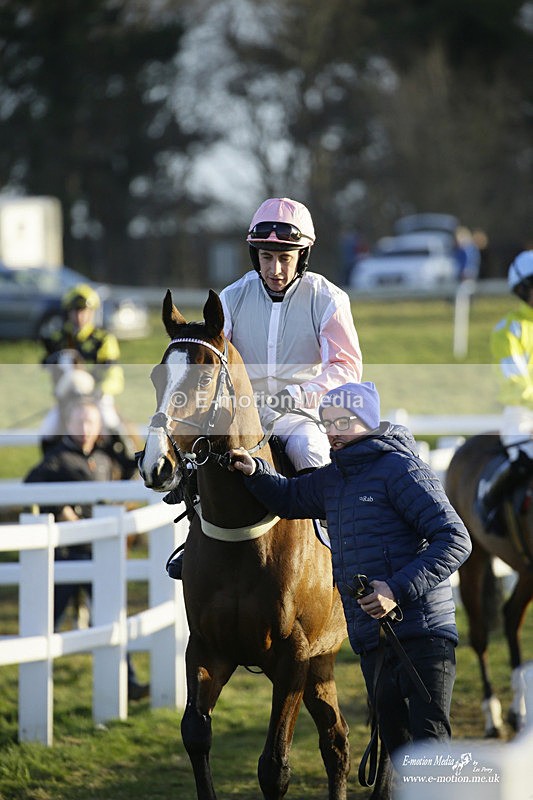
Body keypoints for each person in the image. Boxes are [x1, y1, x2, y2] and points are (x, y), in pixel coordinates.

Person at [229, 381, 471, 768]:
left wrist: (395, 589)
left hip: (423, 633)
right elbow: (289, 498)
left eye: (344, 422)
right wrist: (256, 471)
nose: (333, 432)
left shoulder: (401, 468)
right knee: (399, 752)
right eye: (327, 423)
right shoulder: (333, 479)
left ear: (368, 421)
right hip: (373, 639)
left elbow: (455, 539)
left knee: (430, 750)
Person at [165, 197, 363, 579]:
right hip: (243, 413)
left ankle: (338, 543)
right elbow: (216, 356)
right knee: (199, 453)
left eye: (285, 258)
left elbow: (346, 366)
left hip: (301, 414)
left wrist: (300, 395)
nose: (274, 269)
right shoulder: (232, 297)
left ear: (302, 255)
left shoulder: (329, 299)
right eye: (266, 257)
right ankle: (195, 539)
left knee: (308, 448)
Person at [24, 397, 149, 701]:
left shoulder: (104, 456)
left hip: (99, 553)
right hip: (67, 555)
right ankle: (32, 687)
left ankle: (128, 683)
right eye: (79, 421)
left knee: (111, 616)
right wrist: (59, 508)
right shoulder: (58, 457)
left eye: (90, 421)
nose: (84, 427)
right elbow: (30, 484)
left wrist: (114, 423)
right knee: (47, 622)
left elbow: (136, 462)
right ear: (68, 424)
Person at [40, 283, 126, 453]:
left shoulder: (103, 339)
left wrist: (102, 390)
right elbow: (47, 368)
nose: (80, 316)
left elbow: (112, 372)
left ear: (92, 312)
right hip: (68, 398)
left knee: (109, 421)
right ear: (68, 312)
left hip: (97, 395)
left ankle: (127, 457)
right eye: (75, 311)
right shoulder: (58, 338)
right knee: (47, 431)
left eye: (85, 311)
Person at [481, 250, 533, 518]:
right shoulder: (509, 329)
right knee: (524, 462)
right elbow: (515, 380)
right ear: (523, 290)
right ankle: (489, 511)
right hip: (522, 415)